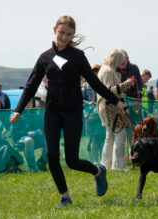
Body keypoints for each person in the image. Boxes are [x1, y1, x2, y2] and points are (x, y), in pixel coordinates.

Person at [9, 15, 126, 206]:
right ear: (55, 30)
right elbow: (31, 85)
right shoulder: (45, 57)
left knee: (72, 161)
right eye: (61, 32)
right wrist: (18, 110)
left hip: (73, 112)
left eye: (68, 34)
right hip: (52, 112)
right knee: (51, 156)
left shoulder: (78, 56)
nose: (64, 37)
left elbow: (95, 82)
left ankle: (98, 171)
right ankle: (65, 197)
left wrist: (115, 101)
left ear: (72, 35)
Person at [97, 49, 134, 171]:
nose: (120, 65)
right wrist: (127, 84)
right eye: (120, 62)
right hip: (110, 107)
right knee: (120, 135)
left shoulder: (105, 70)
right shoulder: (107, 71)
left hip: (107, 107)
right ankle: (117, 166)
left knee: (110, 137)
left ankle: (105, 165)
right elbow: (110, 90)